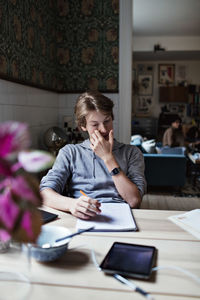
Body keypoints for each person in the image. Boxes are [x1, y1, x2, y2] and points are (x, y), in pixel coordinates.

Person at [40, 91, 146, 220]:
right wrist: (72, 204)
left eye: (107, 121)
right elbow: (44, 194)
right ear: (82, 126)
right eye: (95, 124)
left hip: (122, 216)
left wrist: (108, 158)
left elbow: (134, 201)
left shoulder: (132, 152)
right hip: (82, 217)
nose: (103, 129)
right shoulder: (70, 153)